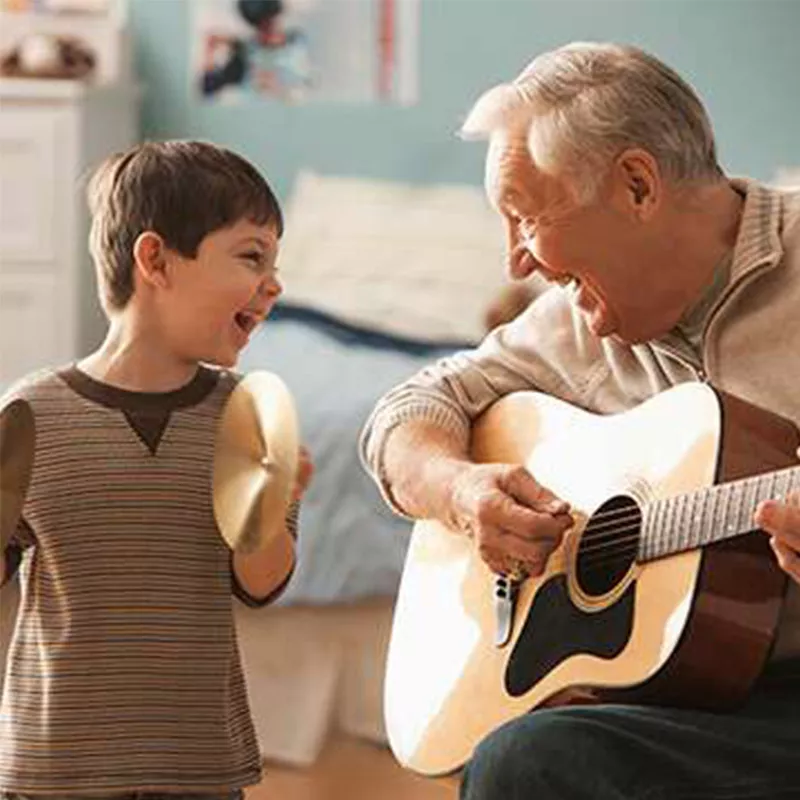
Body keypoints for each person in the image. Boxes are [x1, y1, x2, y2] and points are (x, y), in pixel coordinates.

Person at [360, 42, 800, 799]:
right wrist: (459, 492)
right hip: (692, 703)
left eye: (526, 218)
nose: (515, 263)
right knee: (520, 759)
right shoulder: (571, 325)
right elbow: (409, 410)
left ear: (636, 184)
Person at [0, 140, 313, 798]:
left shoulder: (248, 417)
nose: (275, 285)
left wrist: (269, 501)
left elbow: (261, 584)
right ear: (155, 260)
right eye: (252, 255)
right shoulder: (31, 414)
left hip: (199, 765)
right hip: (55, 769)